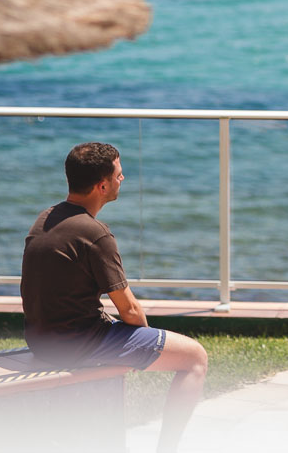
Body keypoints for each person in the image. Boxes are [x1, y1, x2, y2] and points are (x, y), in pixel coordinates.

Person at [22, 142, 207, 453]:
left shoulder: (45, 218)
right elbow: (130, 309)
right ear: (102, 185)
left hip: (40, 339)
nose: (124, 179)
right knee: (195, 358)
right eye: (120, 175)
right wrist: (144, 346)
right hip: (78, 344)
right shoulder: (95, 234)